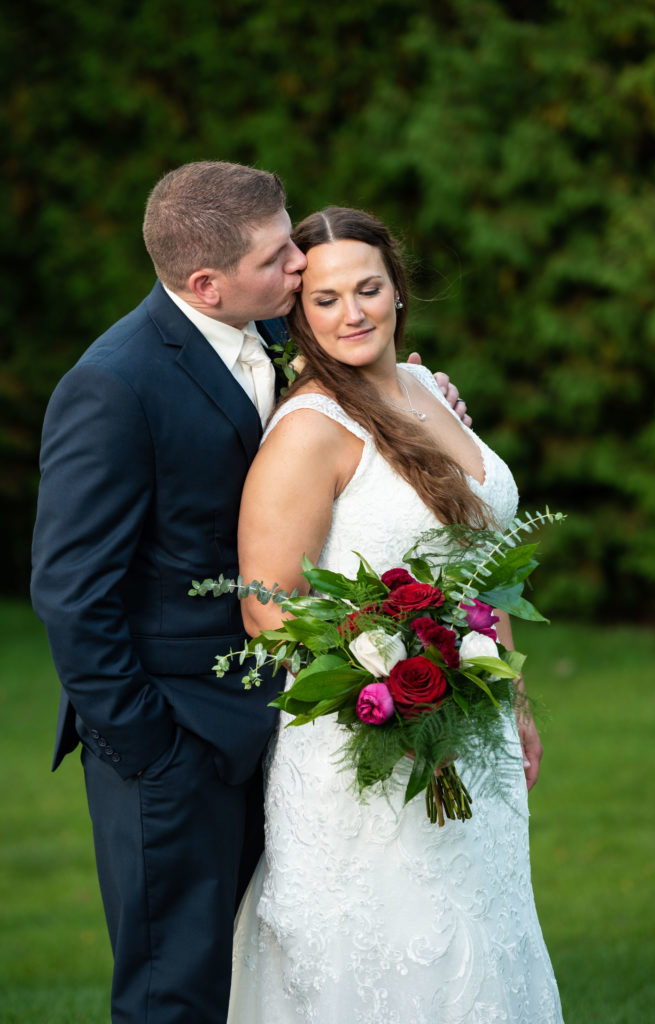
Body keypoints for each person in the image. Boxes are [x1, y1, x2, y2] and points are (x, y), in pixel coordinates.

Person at [30, 162, 468, 1024]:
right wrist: (148, 746)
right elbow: (72, 592)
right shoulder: (114, 385)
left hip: (278, 728)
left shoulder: (263, 337)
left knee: (266, 976)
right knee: (175, 994)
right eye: (280, 259)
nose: (301, 270)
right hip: (173, 742)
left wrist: (414, 396)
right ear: (207, 282)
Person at [228, 206, 564, 1023]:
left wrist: (509, 697)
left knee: (477, 939)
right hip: (371, 738)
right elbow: (267, 612)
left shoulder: (423, 387)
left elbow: (479, 568)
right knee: (388, 948)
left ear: (397, 289)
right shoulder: (309, 431)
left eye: (369, 289)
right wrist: (395, 692)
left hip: (471, 726)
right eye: (328, 299)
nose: (353, 314)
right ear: (298, 315)